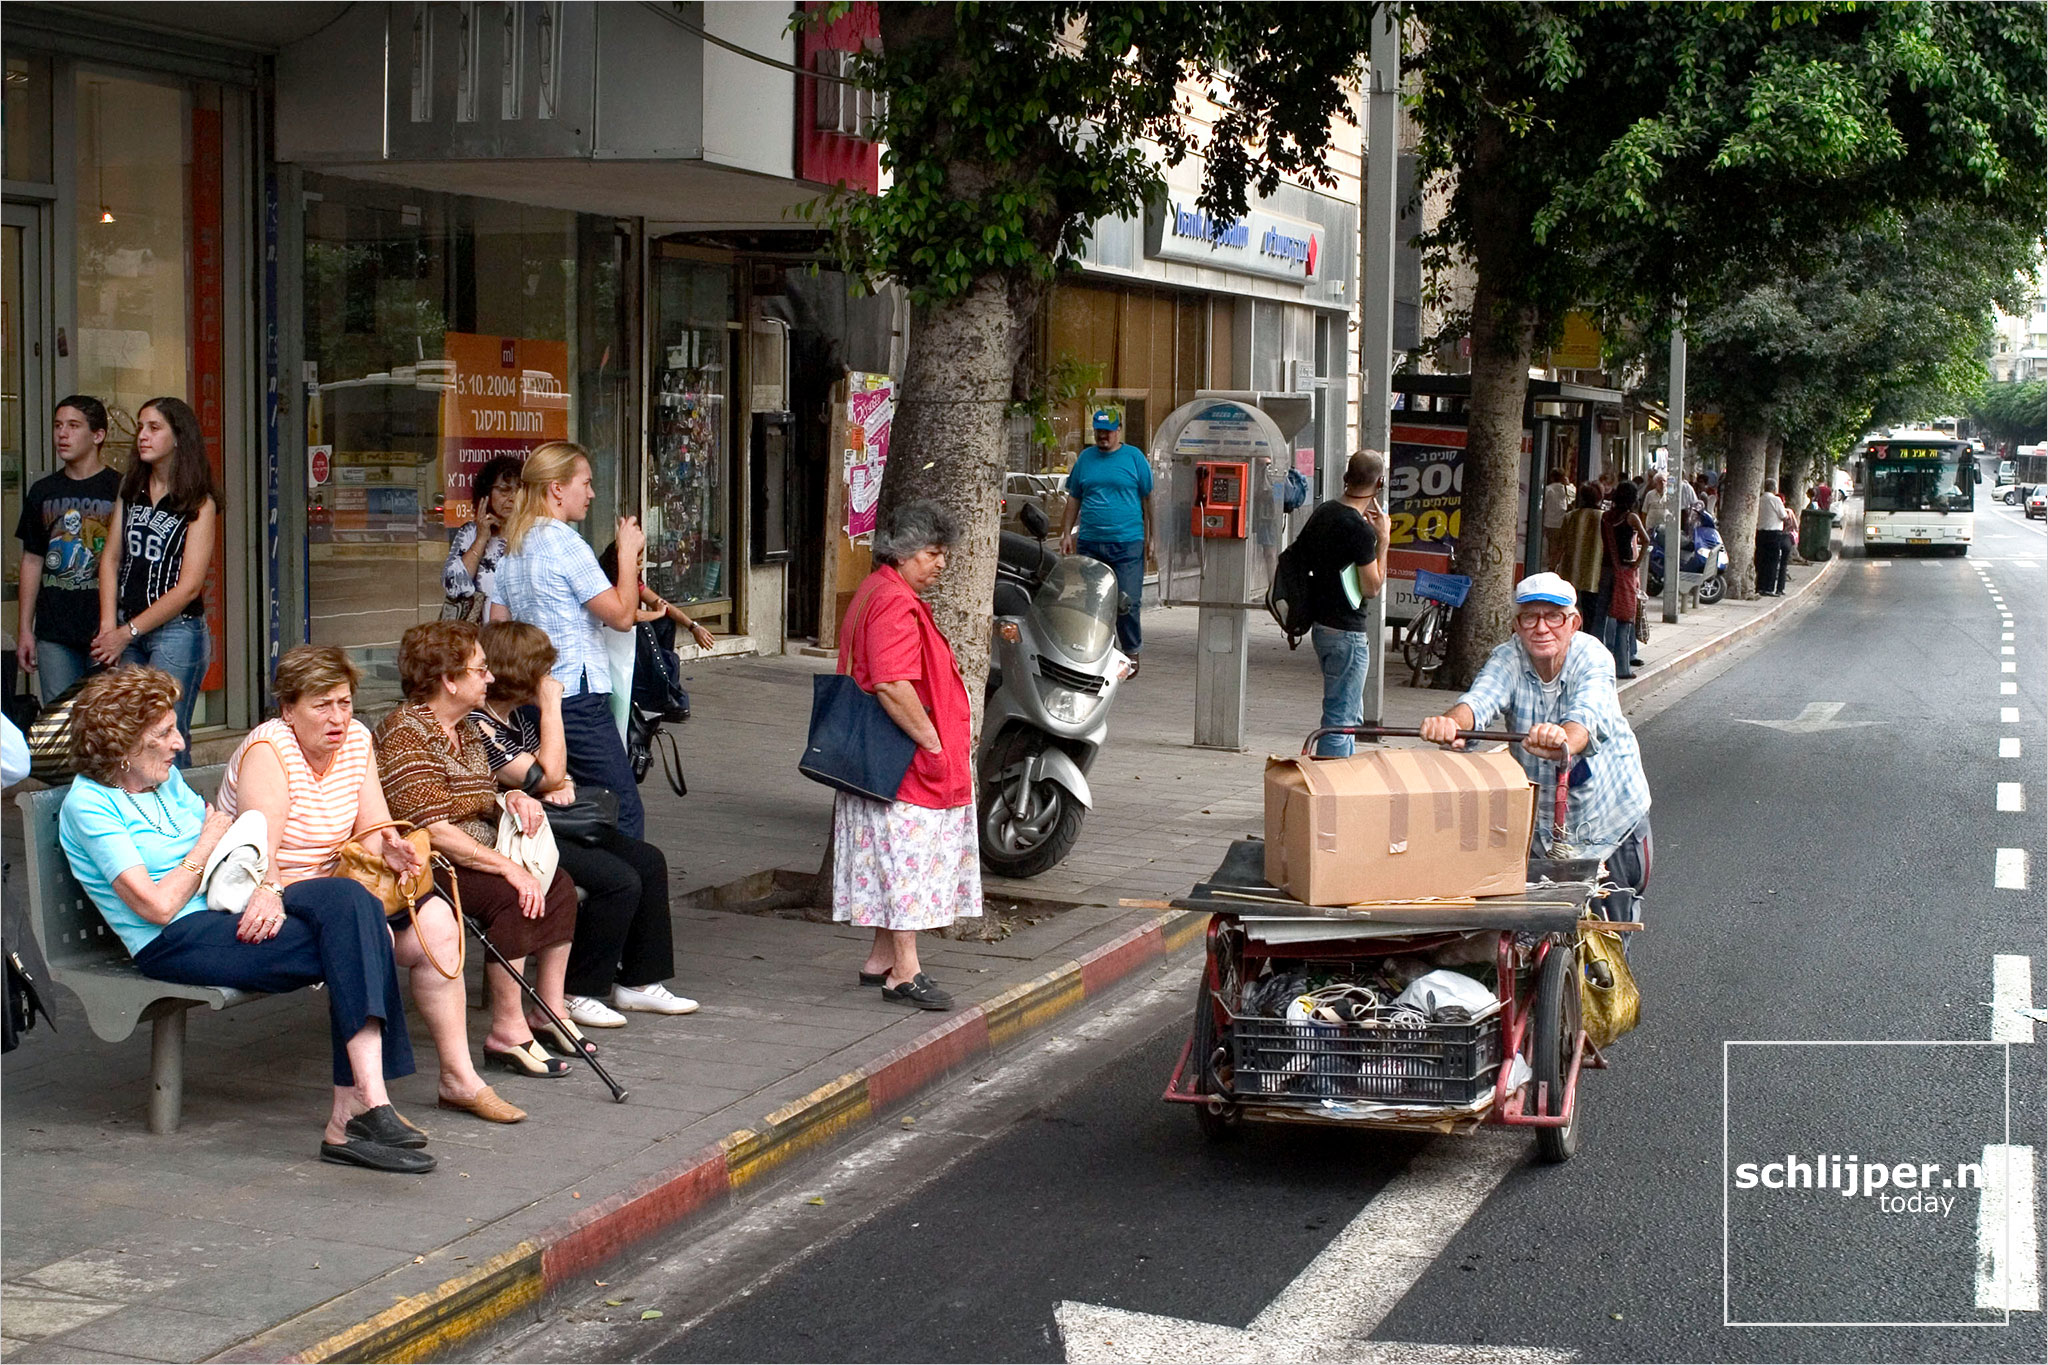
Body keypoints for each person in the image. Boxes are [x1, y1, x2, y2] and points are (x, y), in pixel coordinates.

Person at [60, 666, 433, 1172]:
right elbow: (157, 906)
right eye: (165, 733)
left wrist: (267, 886)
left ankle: (363, 1106)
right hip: (174, 940)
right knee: (358, 938)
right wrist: (207, 841)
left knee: (352, 902)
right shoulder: (90, 805)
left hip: (222, 909)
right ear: (124, 743)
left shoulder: (161, 783)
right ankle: (357, 1112)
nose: (179, 743)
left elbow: (234, 837)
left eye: (176, 728)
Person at [219, 645, 524, 1126]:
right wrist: (277, 892)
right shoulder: (268, 750)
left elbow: (376, 826)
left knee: (440, 921)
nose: (337, 717)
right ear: (287, 709)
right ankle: (368, 1097)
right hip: (281, 886)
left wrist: (392, 847)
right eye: (321, 705)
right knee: (369, 932)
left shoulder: (357, 740)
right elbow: (263, 857)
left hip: (344, 881)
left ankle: (458, 1078)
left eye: (344, 702)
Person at [375, 620, 589, 1076]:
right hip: (430, 863)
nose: (489, 679)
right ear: (448, 681)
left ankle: (549, 1010)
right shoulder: (406, 731)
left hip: (478, 848)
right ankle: (506, 1032)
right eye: (480, 670)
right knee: (513, 895)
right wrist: (508, 868)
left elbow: (477, 793)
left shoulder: (465, 728)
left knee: (560, 884)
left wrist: (508, 797)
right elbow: (432, 827)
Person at [475, 620, 696, 1028]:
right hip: (513, 835)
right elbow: (548, 773)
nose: (549, 678)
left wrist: (561, 781)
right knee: (617, 879)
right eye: (541, 670)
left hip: (547, 822)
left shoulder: (516, 717)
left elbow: (558, 773)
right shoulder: (481, 725)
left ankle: (640, 981)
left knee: (648, 860)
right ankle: (577, 990)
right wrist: (553, 709)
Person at [1418, 572, 1652, 894]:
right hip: (1544, 830)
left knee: (1607, 926)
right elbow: (1479, 700)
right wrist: (1452, 724)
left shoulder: (1593, 657)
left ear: (1574, 623)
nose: (1542, 628)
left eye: (1554, 616)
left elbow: (1584, 720)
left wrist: (1564, 739)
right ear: (1517, 625)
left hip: (1610, 825)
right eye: (1530, 617)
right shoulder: (1508, 657)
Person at [833, 499, 980, 1011]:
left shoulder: (876, 590)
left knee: (885, 858)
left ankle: (879, 959)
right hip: (907, 765)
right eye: (933, 554)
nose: (941, 563)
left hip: (883, 760)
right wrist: (935, 741)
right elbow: (894, 684)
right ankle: (904, 971)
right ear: (904, 552)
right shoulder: (895, 601)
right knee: (909, 865)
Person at [493, 441, 650, 839]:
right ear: (557, 489)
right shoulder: (564, 542)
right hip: (576, 697)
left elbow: (497, 622)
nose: (592, 493)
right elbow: (621, 617)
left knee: (563, 800)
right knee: (622, 808)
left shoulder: (514, 543)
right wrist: (627, 555)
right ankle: (621, 891)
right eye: (586, 482)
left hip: (531, 697)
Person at [92, 397, 220, 757]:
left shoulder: (199, 501)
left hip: (177, 630)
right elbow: (111, 558)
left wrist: (125, 632)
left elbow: (191, 585)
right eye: (140, 427)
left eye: (154, 427)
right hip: (124, 627)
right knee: (128, 736)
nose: (142, 436)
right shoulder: (131, 489)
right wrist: (108, 629)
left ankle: (176, 814)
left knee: (169, 737)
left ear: (178, 437)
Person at [16, 397, 121, 703]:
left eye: (73, 426)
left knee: (107, 723)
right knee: (59, 727)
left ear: (97, 435)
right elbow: (32, 560)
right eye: (58, 426)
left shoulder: (120, 489)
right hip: (54, 631)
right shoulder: (43, 491)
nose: (62, 434)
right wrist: (25, 629)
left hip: (105, 630)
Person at [1292, 451, 1391, 758]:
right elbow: (1372, 586)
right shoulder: (1360, 531)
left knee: (1347, 712)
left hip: (1322, 626)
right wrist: (1383, 541)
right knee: (1341, 717)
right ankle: (1330, 784)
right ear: (1380, 483)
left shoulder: (1324, 513)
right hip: (1347, 631)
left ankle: (1340, 778)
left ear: (1346, 478)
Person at [1058, 408, 1154, 674]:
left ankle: (1132, 651)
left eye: (1108, 431)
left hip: (1127, 541)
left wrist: (1152, 537)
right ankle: (1095, 651)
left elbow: (1148, 498)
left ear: (1118, 430)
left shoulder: (1134, 458)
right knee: (1092, 601)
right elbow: (1074, 497)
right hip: (1091, 541)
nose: (1103, 436)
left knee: (1127, 600)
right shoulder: (1086, 459)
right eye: (1099, 431)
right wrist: (1066, 532)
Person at [442, 456, 522, 622]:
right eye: (504, 490)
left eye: (519, 490)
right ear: (486, 494)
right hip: (480, 637)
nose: (513, 498)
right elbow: (453, 586)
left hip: (523, 639)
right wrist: (481, 539)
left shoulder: (534, 534)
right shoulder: (470, 533)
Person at [1598, 482, 1648, 678]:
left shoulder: (1606, 517)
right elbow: (1646, 540)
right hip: (1625, 570)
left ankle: (1597, 663)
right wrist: (1637, 563)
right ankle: (1623, 668)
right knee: (1624, 617)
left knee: (1601, 615)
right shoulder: (1631, 518)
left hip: (1606, 568)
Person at [1555, 483, 1606, 632]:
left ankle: (1571, 637)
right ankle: (1587, 639)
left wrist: (1553, 566)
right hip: (1594, 573)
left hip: (1571, 571)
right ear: (1599, 497)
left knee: (1571, 609)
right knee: (1591, 613)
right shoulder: (1603, 518)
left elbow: (1561, 544)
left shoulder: (1570, 516)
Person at [1755, 478, 1792, 597]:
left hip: (1760, 532)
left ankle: (1759, 585)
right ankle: (1768, 588)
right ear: (1774, 488)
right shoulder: (1775, 500)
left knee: (1761, 560)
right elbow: (1783, 516)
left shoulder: (1760, 498)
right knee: (1772, 561)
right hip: (1773, 533)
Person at [1541, 468, 1571, 572]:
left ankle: (1551, 566)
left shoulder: (1548, 489)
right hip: (1563, 522)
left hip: (1550, 522)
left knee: (1552, 545)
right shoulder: (1566, 489)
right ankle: (1555, 564)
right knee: (1560, 546)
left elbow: (1543, 506)